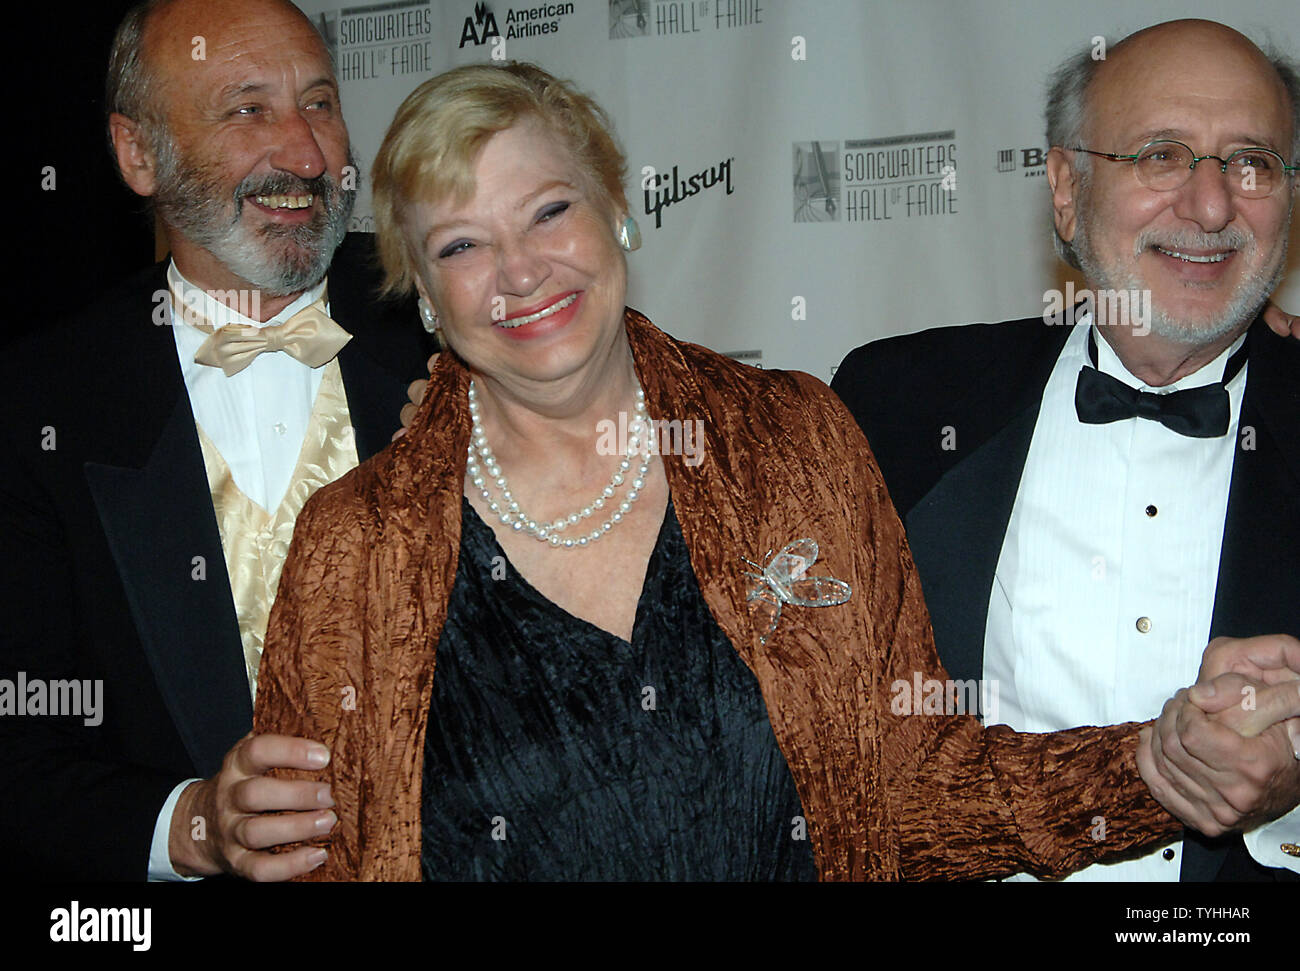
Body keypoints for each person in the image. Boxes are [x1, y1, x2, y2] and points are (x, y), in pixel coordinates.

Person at [252, 61, 1300, 881]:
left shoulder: (793, 438)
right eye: (462, 245)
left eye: (549, 211)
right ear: (424, 295)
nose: (521, 271)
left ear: (617, 207)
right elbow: (315, 855)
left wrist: (1156, 766)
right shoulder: (357, 543)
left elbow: (910, 787)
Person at [832, 19, 1300, 881]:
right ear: (1065, 188)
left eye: (1251, 163)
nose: (1210, 206)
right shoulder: (893, 402)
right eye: (1162, 154)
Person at [0, 0, 430, 881]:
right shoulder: (39, 404)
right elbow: (20, 756)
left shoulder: (447, 323)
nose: (306, 155)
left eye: (319, 103)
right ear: (139, 154)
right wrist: (193, 823)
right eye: (248, 110)